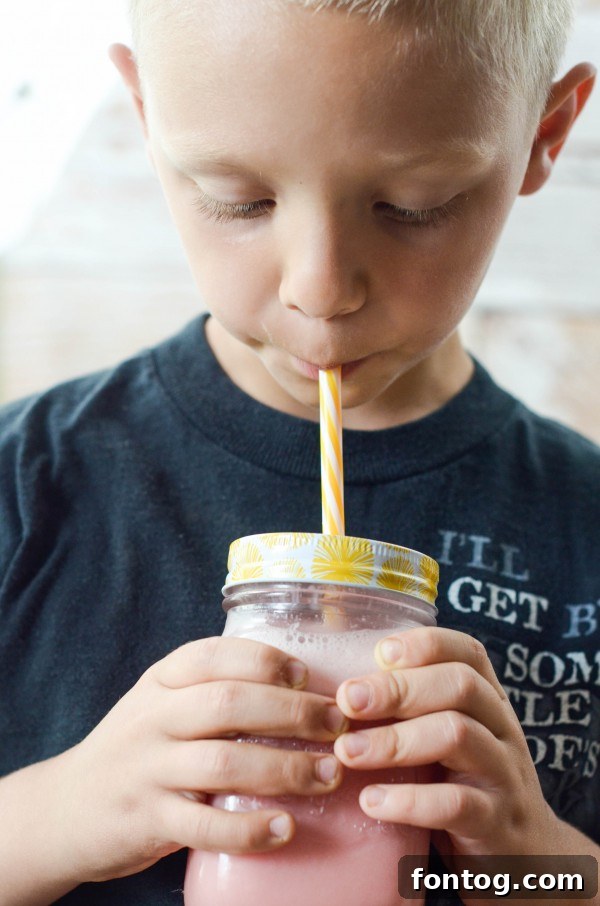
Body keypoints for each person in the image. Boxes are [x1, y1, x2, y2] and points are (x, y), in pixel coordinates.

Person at [0, 0, 598, 903]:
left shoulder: (581, 523)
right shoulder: (26, 482)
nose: (319, 288)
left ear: (545, 135)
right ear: (148, 119)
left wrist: (538, 869)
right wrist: (68, 811)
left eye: (413, 205)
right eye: (238, 197)